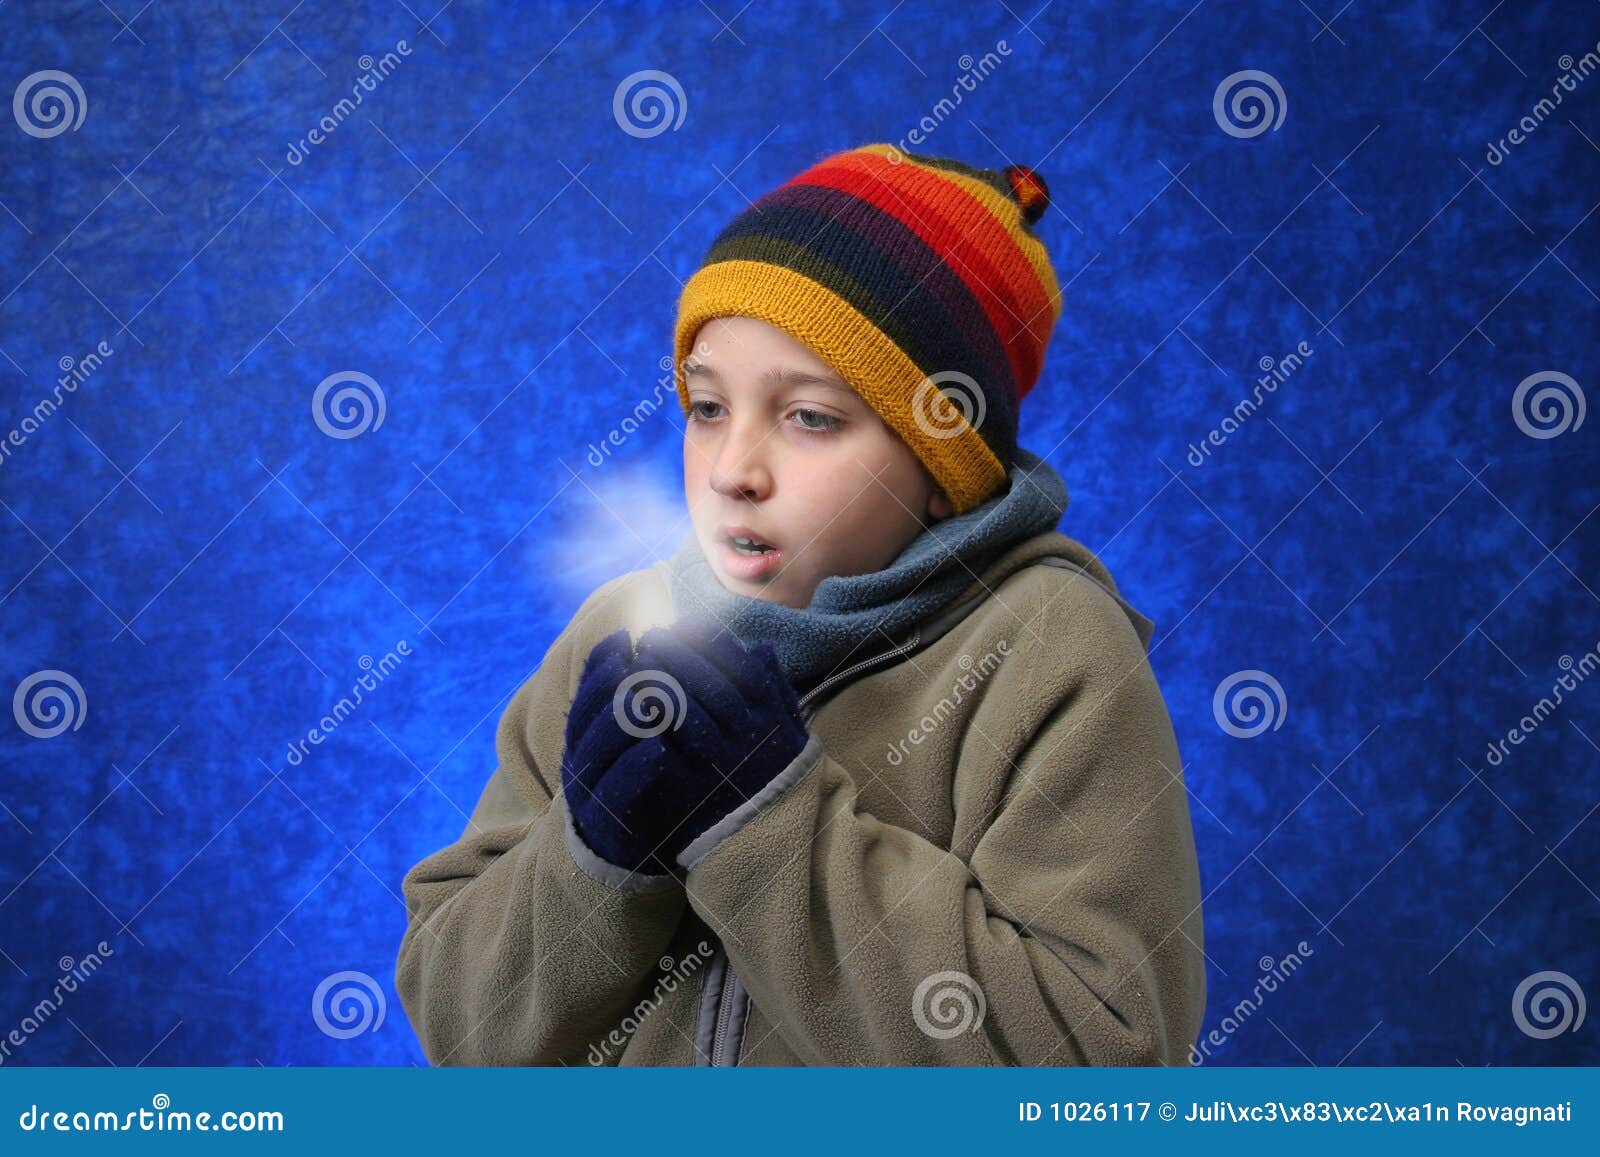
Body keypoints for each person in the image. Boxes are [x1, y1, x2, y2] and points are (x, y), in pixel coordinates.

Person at [394, 142, 1206, 1066]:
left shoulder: (1050, 651)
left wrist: (769, 823)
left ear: (945, 469)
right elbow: (460, 1030)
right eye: (707, 408)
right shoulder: (620, 629)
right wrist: (592, 859)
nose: (733, 471)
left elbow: (1098, 1070)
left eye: (811, 417)